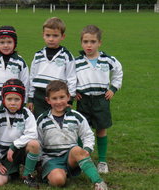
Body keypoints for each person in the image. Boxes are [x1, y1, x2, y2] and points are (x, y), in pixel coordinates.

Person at [37, 80, 108, 190]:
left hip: (70, 156)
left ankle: (98, 182)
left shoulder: (76, 117)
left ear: (68, 97)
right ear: (48, 100)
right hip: (51, 159)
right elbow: (38, 142)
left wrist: (87, 150)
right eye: (54, 98)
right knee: (58, 181)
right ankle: (58, 173)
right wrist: (39, 163)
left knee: (76, 150)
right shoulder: (42, 119)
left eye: (62, 97)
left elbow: (87, 135)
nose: (59, 101)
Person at [75, 25, 123, 174]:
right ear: (81, 42)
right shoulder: (76, 62)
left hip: (101, 100)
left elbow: (118, 72)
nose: (89, 45)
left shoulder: (108, 60)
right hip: (83, 100)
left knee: (101, 130)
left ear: (99, 43)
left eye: (93, 41)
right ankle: (82, 159)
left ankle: (102, 161)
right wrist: (74, 91)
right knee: (82, 130)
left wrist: (113, 88)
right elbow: (69, 78)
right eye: (85, 41)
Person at [0, 79, 40, 188]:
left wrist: (14, 145)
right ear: (3, 99)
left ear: (22, 99)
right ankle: (12, 172)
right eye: (9, 99)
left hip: (20, 150)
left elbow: (32, 133)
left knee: (34, 144)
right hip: (3, 154)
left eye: (17, 99)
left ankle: (27, 175)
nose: (13, 103)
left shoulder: (27, 113)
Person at [28, 17, 76, 118]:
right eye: (48, 35)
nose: (51, 39)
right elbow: (32, 77)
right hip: (40, 96)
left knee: (57, 124)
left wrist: (70, 99)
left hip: (58, 96)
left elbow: (71, 78)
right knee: (39, 122)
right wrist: (30, 98)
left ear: (62, 36)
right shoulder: (38, 55)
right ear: (43, 36)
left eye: (55, 35)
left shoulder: (67, 56)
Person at [0, 26, 29, 120]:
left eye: (9, 42)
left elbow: (25, 83)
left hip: (13, 104)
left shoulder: (20, 62)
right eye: (2, 42)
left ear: (15, 43)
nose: (5, 45)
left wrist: (23, 103)